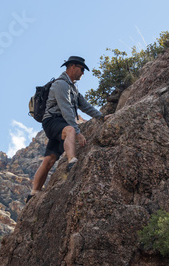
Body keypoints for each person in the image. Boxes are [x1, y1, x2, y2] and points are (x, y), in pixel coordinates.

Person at [27, 56, 111, 202]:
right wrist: (77, 132)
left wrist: (101, 117)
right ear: (72, 66)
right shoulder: (60, 85)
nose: (83, 73)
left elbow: (85, 106)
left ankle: (33, 193)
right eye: (82, 69)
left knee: (49, 159)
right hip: (52, 121)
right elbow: (66, 109)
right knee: (70, 131)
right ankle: (72, 162)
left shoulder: (73, 88)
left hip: (60, 123)